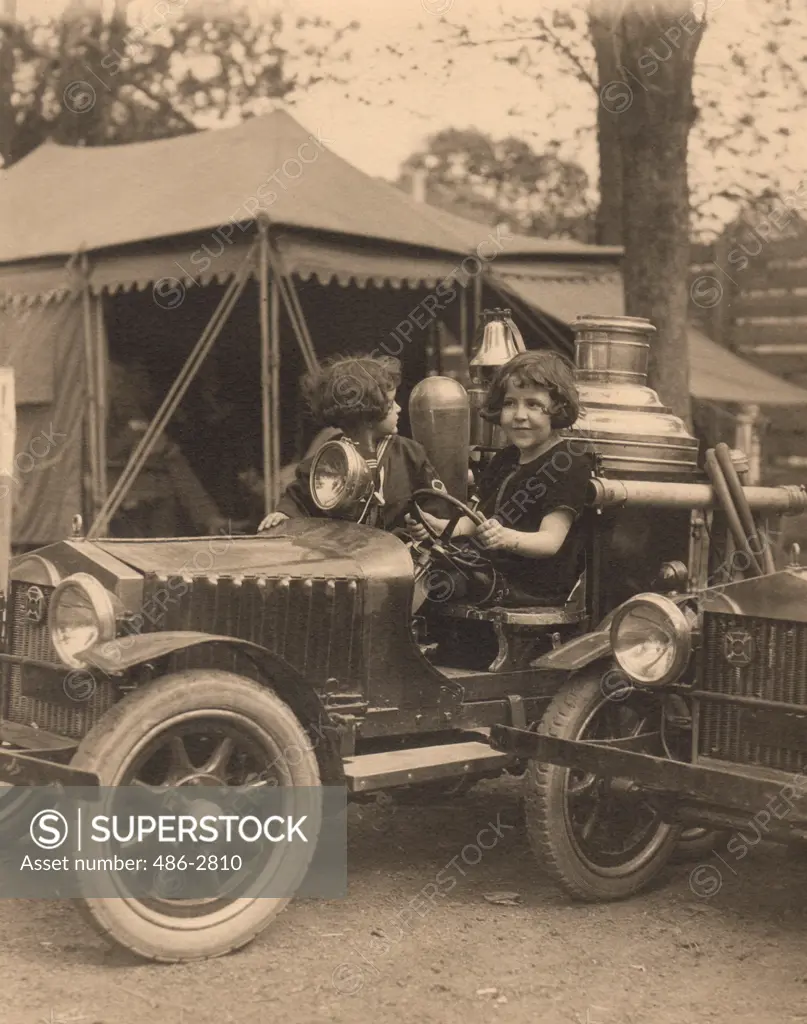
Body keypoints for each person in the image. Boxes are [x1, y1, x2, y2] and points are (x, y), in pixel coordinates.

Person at [409, 350, 593, 607]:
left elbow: (550, 541)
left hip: (530, 586)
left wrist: (505, 538)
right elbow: (475, 521)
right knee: (410, 562)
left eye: (533, 404)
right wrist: (441, 527)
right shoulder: (505, 458)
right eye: (510, 403)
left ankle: (401, 639)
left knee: (439, 580)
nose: (519, 415)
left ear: (558, 409)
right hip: (488, 569)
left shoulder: (568, 463)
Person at [259, 354, 448, 532]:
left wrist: (427, 524)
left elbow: (433, 499)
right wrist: (283, 513)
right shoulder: (328, 459)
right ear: (368, 414)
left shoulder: (410, 453)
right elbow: (299, 497)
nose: (399, 409)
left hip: (400, 553)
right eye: (391, 405)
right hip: (345, 552)